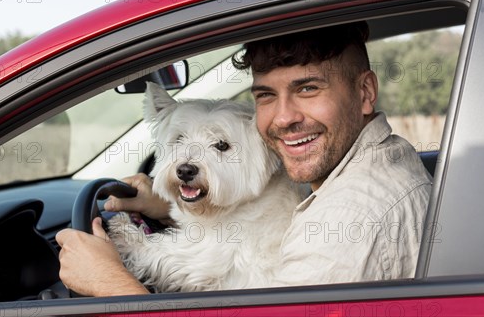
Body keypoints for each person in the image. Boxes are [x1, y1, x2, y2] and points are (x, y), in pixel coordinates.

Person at [55, 21, 432, 296]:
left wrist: (111, 285)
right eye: (266, 95)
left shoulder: (347, 225)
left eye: (308, 88)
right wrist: (170, 205)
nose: (283, 118)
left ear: (365, 92)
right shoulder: (373, 163)